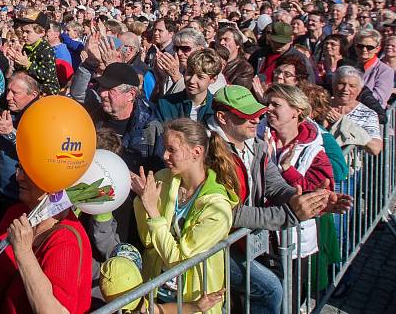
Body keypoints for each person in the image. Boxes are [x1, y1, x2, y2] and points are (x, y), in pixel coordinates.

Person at [206, 85, 349, 314]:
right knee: (270, 289)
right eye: (246, 116)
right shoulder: (207, 152)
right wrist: (290, 214)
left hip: (242, 240)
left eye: (256, 113)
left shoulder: (256, 145)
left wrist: (310, 199)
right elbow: (230, 211)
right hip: (213, 243)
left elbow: (275, 185)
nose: (256, 119)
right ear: (222, 118)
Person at [132, 118, 239, 314]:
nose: (164, 155)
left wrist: (153, 212)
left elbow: (179, 261)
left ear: (196, 152)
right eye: (165, 148)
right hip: (157, 293)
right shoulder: (164, 179)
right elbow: (149, 241)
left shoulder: (217, 208)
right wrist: (141, 202)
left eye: (172, 150)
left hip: (194, 302)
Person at [0, 161, 92, 314]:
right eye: (20, 168)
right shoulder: (17, 212)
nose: (18, 177)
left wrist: (24, 252)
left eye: (30, 172)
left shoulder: (66, 240)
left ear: (55, 182)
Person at [264, 84, 333, 263]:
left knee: (291, 289)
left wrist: (288, 170)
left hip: (295, 240)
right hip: (262, 235)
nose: (268, 109)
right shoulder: (258, 138)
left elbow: (321, 195)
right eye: (267, 104)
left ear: (296, 111)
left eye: (276, 105)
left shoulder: (314, 151)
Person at [0, 71, 41, 205]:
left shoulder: (40, 118)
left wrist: (11, 133)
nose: (8, 97)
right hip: (0, 189)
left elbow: (36, 153)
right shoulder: (9, 113)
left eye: (15, 93)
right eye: (8, 91)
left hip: (22, 198)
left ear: (33, 95)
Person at [326, 66, 382, 155]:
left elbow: (375, 148)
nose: (345, 89)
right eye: (341, 83)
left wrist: (343, 123)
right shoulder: (322, 106)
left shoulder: (367, 114)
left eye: (352, 86)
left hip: (349, 166)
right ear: (333, 85)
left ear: (359, 90)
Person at [155, 49, 221, 124]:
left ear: (213, 79)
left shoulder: (217, 109)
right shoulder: (166, 104)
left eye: (200, 77)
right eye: (189, 73)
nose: (192, 80)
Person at [6, 10, 60, 96]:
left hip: (46, 91)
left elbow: (48, 75)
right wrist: (16, 61)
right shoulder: (26, 47)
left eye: (28, 32)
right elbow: (22, 70)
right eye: (23, 31)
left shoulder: (46, 50)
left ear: (41, 33)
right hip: (28, 87)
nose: (24, 35)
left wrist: (28, 64)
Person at [354, 29, 393, 108]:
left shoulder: (385, 71)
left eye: (369, 47)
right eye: (360, 46)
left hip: (371, 114)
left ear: (377, 49)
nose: (364, 50)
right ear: (355, 46)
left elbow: (379, 98)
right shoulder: (350, 67)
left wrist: (351, 97)